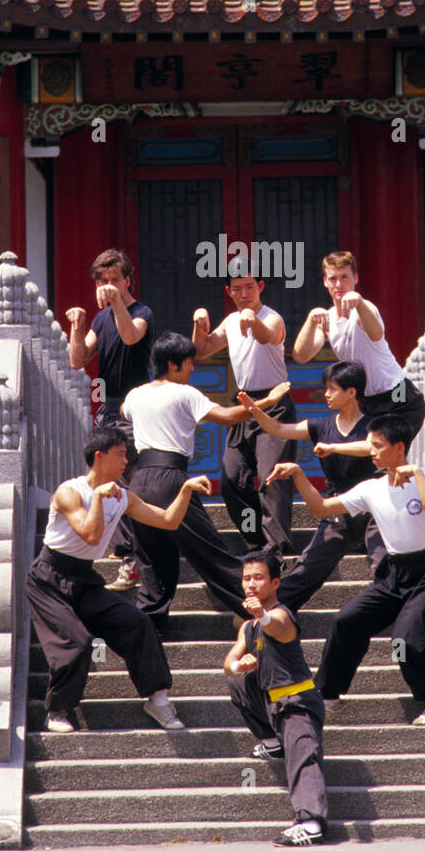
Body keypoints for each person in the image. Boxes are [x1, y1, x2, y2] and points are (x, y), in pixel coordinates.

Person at [265, 414, 425, 725]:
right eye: (370, 445)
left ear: (399, 447)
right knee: (347, 621)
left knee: (405, 643)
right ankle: (327, 695)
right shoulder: (371, 488)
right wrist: (299, 474)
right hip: (394, 574)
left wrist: (417, 473)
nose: (371, 451)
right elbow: (321, 509)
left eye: (377, 446)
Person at [25, 426, 213, 733]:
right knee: (75, 641)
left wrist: (186, 490)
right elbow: (90, 534)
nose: (127, 461)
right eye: (120, 455)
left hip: (84, 578)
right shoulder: (69, 492)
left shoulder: (123, 496)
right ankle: (58, 709)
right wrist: (98, 498)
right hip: (48, 579)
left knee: (138, 622)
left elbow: (168, 520)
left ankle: (158, 699)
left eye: (127, 455)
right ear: (100, 457)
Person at [122, 332, 287, 631]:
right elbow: (227, 416)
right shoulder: (185, 393)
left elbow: (123, 413)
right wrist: (266, 402)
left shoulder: (135, 395)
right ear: (173, 365)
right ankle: (260, 606)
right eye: (188, 363)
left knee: (152, 558)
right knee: (210, 552)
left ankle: (150, 626)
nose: (193, 369)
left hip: (140, 479)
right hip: (170, 480)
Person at [237, 360, 382, 610]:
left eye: (332, 388)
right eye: (326, 388)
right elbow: (279, 429)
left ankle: (395, 618)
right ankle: (270, 615)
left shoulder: (373, 425)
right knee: (307, 570)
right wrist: (255, 410)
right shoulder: (320, 426)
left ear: (351, 392)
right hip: (336, 508)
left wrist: (333, 447)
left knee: (384, 565)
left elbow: (370, 446)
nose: (326, 394)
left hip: (373, 509)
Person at [224, 550, 328, 846]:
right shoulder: (247, 626)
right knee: (240, 680)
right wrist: (237, 665)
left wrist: (263, 614)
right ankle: (274, 739)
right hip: (271, 704)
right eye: (246, 579)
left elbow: (279, 628)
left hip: (297, 703)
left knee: (304, 759)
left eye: (259, 578)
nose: (251, 584)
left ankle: (310, 822)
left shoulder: (281, 614)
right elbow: (228, 662)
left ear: (276, 583)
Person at [65, 248, 153, 592]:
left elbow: (132, 335)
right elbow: (78, 359)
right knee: (104, 480)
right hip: (108, 409)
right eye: (103, 281)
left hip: (136, 405)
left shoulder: (142, 311)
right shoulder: (101, 320)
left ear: (127, 280)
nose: (108, 286)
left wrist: (116, 301)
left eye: (115, 279)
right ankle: (130, 556)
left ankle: (139, 555)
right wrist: (77, 326)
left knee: (126, 480)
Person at [192, 266, 296, 553]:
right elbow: (201, 351)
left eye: (249, 286)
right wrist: (199, 324)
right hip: (245, 406)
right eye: (237, 288)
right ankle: (256, 540)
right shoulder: (230, 320)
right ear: (228, 291)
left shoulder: (271, 317)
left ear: (260, 286)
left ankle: (277, 550)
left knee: (270, 479)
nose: (243, 293)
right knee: (231, 479)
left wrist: (254, 321)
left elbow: (268, 338)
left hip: (274, 405)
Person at [292, 250, 425, 440]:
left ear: (355, 278)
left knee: (385, 453)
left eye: (344, 277)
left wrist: (360, 303)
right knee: (371, 460)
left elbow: (376, 333)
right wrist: (311, 320)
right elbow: (301, 356)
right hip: (369, 401)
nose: (339, 284)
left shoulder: (365, 309)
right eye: (333, 278)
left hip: (399, 394)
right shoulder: (328, 318)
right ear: (325, 282)